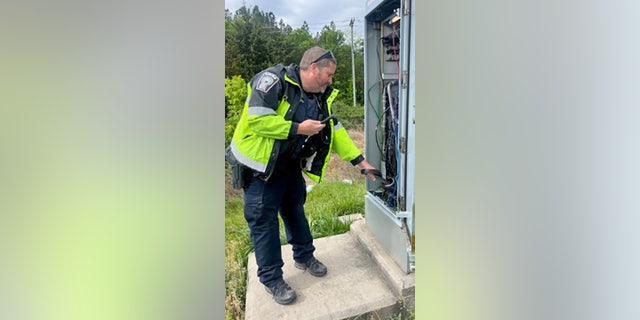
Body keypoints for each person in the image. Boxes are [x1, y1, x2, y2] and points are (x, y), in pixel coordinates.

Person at [227, 46, 377, 305]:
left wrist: (360, 161)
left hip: (288, 166)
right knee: (264, 224)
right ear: (313, 67)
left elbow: (335, 130)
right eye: (328, 74)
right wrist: (298, 128)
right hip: (260, 169)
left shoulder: (319, 96)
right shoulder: (272, 81)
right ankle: (272, 279)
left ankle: (304, 256)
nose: (331, 80)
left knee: (295, 211)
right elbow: (256, 120)